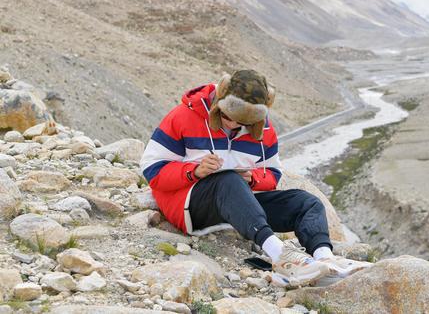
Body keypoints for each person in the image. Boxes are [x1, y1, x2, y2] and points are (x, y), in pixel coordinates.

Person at [139, 69, 370, 287]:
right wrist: (194, 171)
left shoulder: (264, 130)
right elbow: (152, 169)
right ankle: (282, 257)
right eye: (229, 117)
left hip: (239, 208)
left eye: (244, 123)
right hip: (188, 207)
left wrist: (253, 179)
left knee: (306, 202)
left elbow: (273, 173)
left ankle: (325, 259)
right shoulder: (184, 116)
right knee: (228, 181)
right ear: (219, 103)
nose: (234, 125)